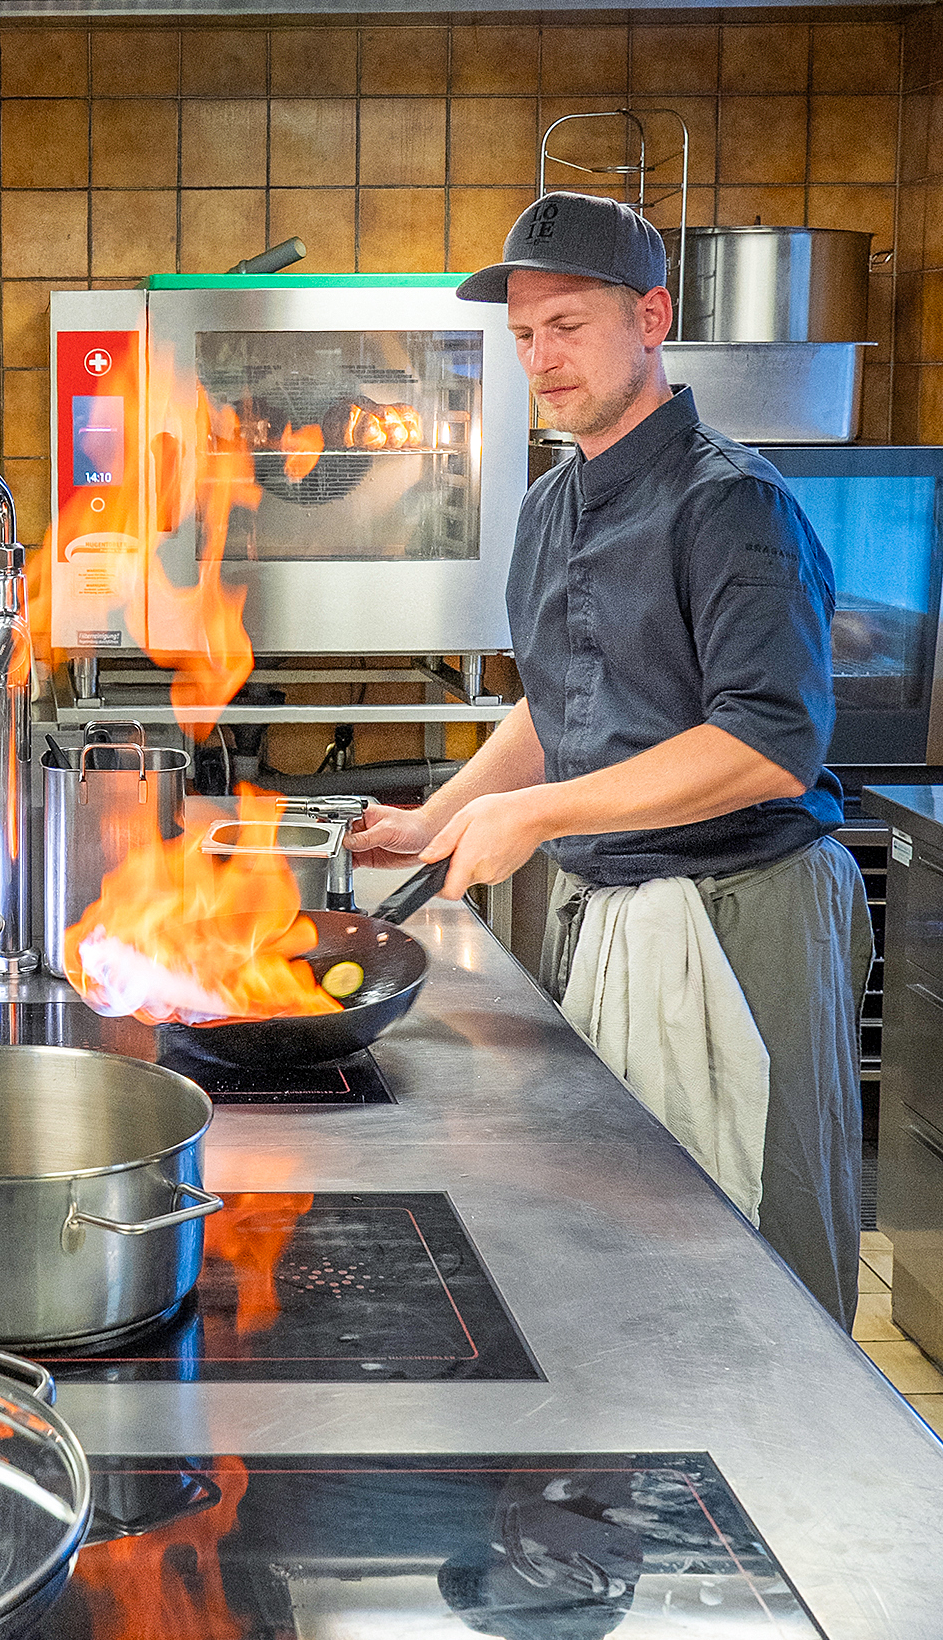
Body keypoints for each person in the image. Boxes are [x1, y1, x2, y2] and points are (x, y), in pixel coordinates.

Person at [348, 189, 873, 1325]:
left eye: (569, 325)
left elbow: (769, 745)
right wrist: (436, 819)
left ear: (652, 316)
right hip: (617, 912)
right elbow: (556, 703)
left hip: (743, 916)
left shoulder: (732, 505)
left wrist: (537, 819)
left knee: (759, 1247)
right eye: (525, 334)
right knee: (637, 1244)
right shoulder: (549, 506)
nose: (542, 357)